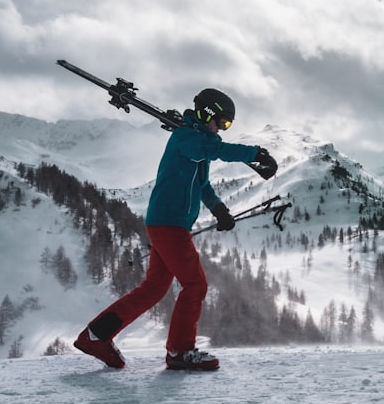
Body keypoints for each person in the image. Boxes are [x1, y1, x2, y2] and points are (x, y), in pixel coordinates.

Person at [74, 88, 278, 371]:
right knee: (195, 284)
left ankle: (95, 336)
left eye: (227, 125)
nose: (221, 128)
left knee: (154, 288)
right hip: (169, 224)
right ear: (207, 113)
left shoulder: (197, 142)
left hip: (168, 223)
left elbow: (202, 184)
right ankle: (180, 351)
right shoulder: (187, 139)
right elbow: (214, 150)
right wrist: (254, 153)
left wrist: (219, 210)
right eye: (221, 122)